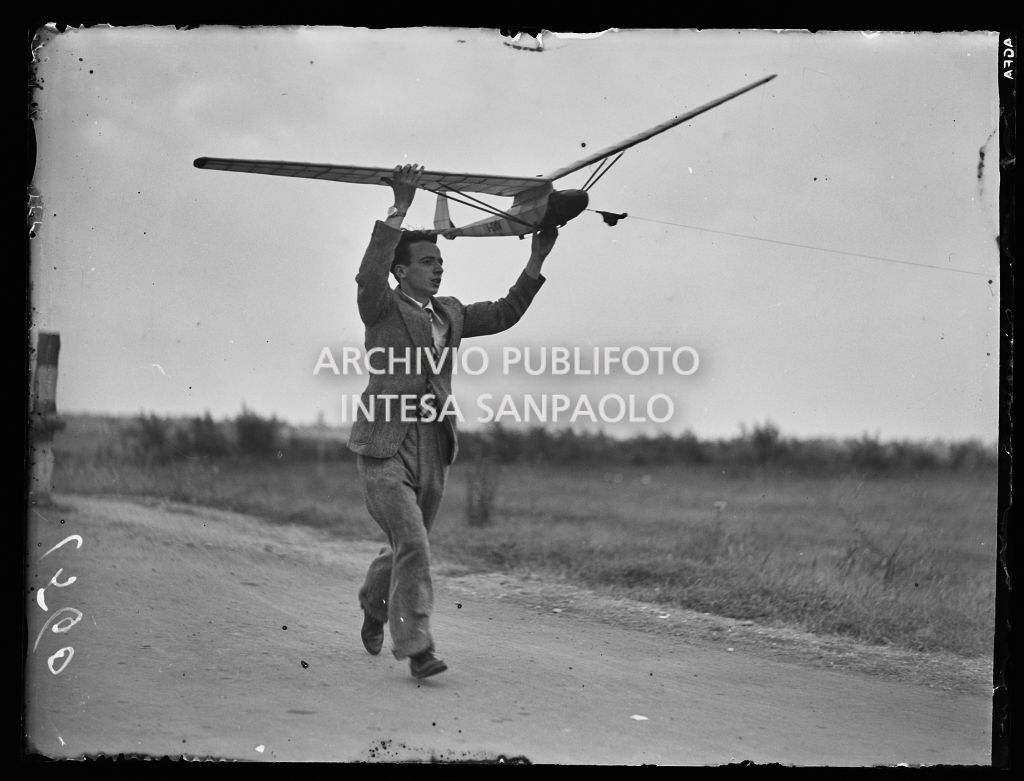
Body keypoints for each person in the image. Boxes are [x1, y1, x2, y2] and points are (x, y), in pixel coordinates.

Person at [350, 163, 557, 679]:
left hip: (434, 444)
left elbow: (506, 312)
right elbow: (369, 274)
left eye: (440, 262)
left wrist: (535, 259)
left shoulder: (451, 313)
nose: (438, 269)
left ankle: (374, 605)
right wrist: (399, 208)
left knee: (408, 544)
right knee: (414, 543)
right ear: (401, 271)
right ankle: (418, 648)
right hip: (384, 444)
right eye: (427, 261)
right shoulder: (380, 306)